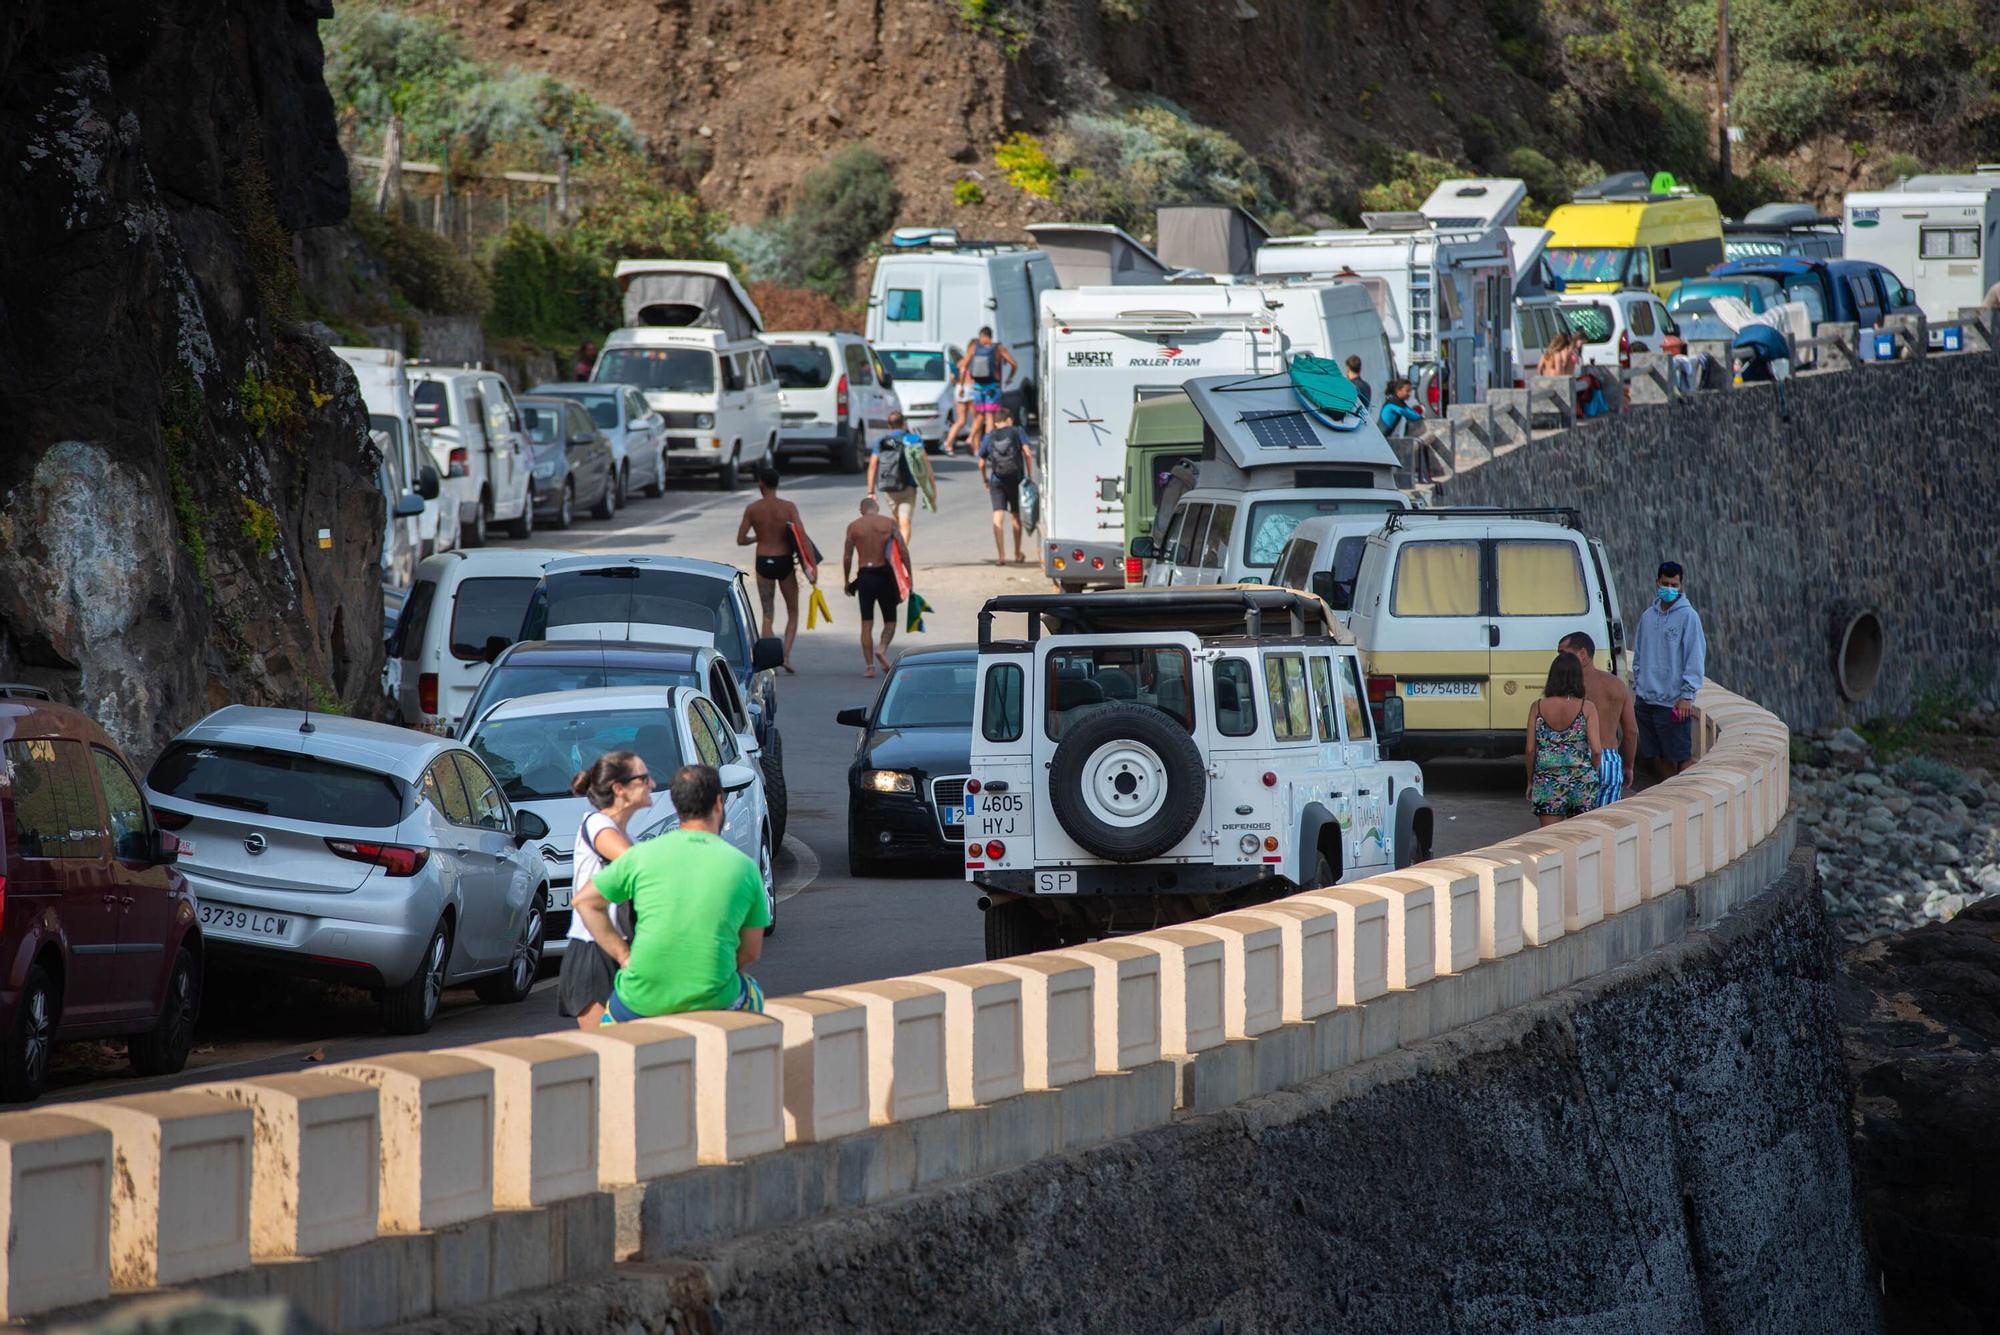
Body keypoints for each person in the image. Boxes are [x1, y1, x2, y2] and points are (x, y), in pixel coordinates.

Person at [572, 763, 770, 1021]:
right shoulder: (744, 867)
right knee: (753, 992)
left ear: (677, 807)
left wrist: (623, 955)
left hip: (639, 1001)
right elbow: (751, 952)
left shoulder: (641, 855)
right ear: (719, 803)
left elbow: (584, 901)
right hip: (714, 997)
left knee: (610, 1029)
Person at [556, 751, 652, 1029]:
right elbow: (633, 862)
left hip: (622, 943)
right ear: (619, 788)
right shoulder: (596, 823)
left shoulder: (627, 837)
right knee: (605, 1050)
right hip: (592, 951)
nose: (653, 784)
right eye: (644, 778)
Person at [1630, 559, 1707, 779]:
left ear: (1681, 586)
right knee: (1660, 757)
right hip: (1646, 700)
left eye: (1674, 585)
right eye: (1665, 584)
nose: (1669, 589)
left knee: (1681, 756)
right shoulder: (1648, 616)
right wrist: (1640, 683)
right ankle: (1667, 799)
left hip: (1673, 702)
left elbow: (1695, 656)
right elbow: (1639, 654)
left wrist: (1687, 695)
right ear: (1657, 582)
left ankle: (1684, 803)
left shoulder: (1688, 617)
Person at [735, 465, 813, 672]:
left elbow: (740, 540)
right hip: (784, 561)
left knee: (767, 614)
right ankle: (786, 655)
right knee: (793, 611)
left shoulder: (752, 509)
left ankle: (771, 663)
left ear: (761, 484)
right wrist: (811, 566)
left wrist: (757, 537)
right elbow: (802, 536)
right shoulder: (788, 507)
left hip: (763, 561)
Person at [1525, 653, 1604, 826]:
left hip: (1547, 782)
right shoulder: (1587, 707)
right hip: (1582, 781)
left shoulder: (1537, 707)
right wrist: (1591, 773)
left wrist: (1531, 780)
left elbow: (1530, 750)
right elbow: (1597, 750)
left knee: (1551, 842)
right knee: (1581, 841)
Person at [1559, 630, 1637, 806]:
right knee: (1606, 825)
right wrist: (1628, 766)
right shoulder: (1617, 685)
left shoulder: (1566, 687)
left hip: (1577, 760)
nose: (1559, 660)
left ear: (1583, 654)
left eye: (1563, 653)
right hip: (1610, 761)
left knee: (1577, 824)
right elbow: (1631, 731)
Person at [843, 496, 903, 676]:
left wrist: (847, 581)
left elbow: (847, 556)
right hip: (884, 576)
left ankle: (869, 667)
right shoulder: (889, 523)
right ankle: (882, 649)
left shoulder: (854, 526)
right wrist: (907, 579)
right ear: (876, 507)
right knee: (890, 621)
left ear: (861, 510)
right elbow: (903, 552)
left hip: (865, 578)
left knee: (866, 623)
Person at [977, 407, 1036, 566]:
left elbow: (981, 463)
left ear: (995, 422)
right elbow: (1028, 453)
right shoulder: (1017, 431)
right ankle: (1017, 553)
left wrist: (984, 479)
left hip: (997, 479)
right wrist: (1030, 476)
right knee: (1015, 516)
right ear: (1009, 419)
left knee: (998, 515)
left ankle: (1001, 556)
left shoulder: (989, 435)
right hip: (1015, 479)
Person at [864, 411, 922, 548]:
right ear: (904, 424)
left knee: (898, 520)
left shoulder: (883, 441)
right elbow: (924, 464)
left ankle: (891, 545)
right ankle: (901, 554)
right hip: (908, 487)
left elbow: (872, 465)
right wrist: (930, 487)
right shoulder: (912, 439)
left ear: (889, 426)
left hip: (889, 487)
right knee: (905, 523)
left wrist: (870, 491)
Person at [961, 326, 1017, 455]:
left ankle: (970, 438)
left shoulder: (974, 347)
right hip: (992, 387)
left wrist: (963, 386)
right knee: (990, 417)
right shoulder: (998, 348)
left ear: (981, 336)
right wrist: (1009, 378)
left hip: (978, 387)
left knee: (979, 416)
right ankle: (988, 445)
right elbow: (1014, 364)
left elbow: (964, 367)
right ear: (991, 336)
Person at [939, 349, 975, 456]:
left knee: (961, 420)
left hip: (959, 389)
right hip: (968, 389)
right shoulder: (967, 363)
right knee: (977, 419)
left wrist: (960, 385)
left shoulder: (956, 365)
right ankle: (971, 442)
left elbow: (953, 380)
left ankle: (947, 444)